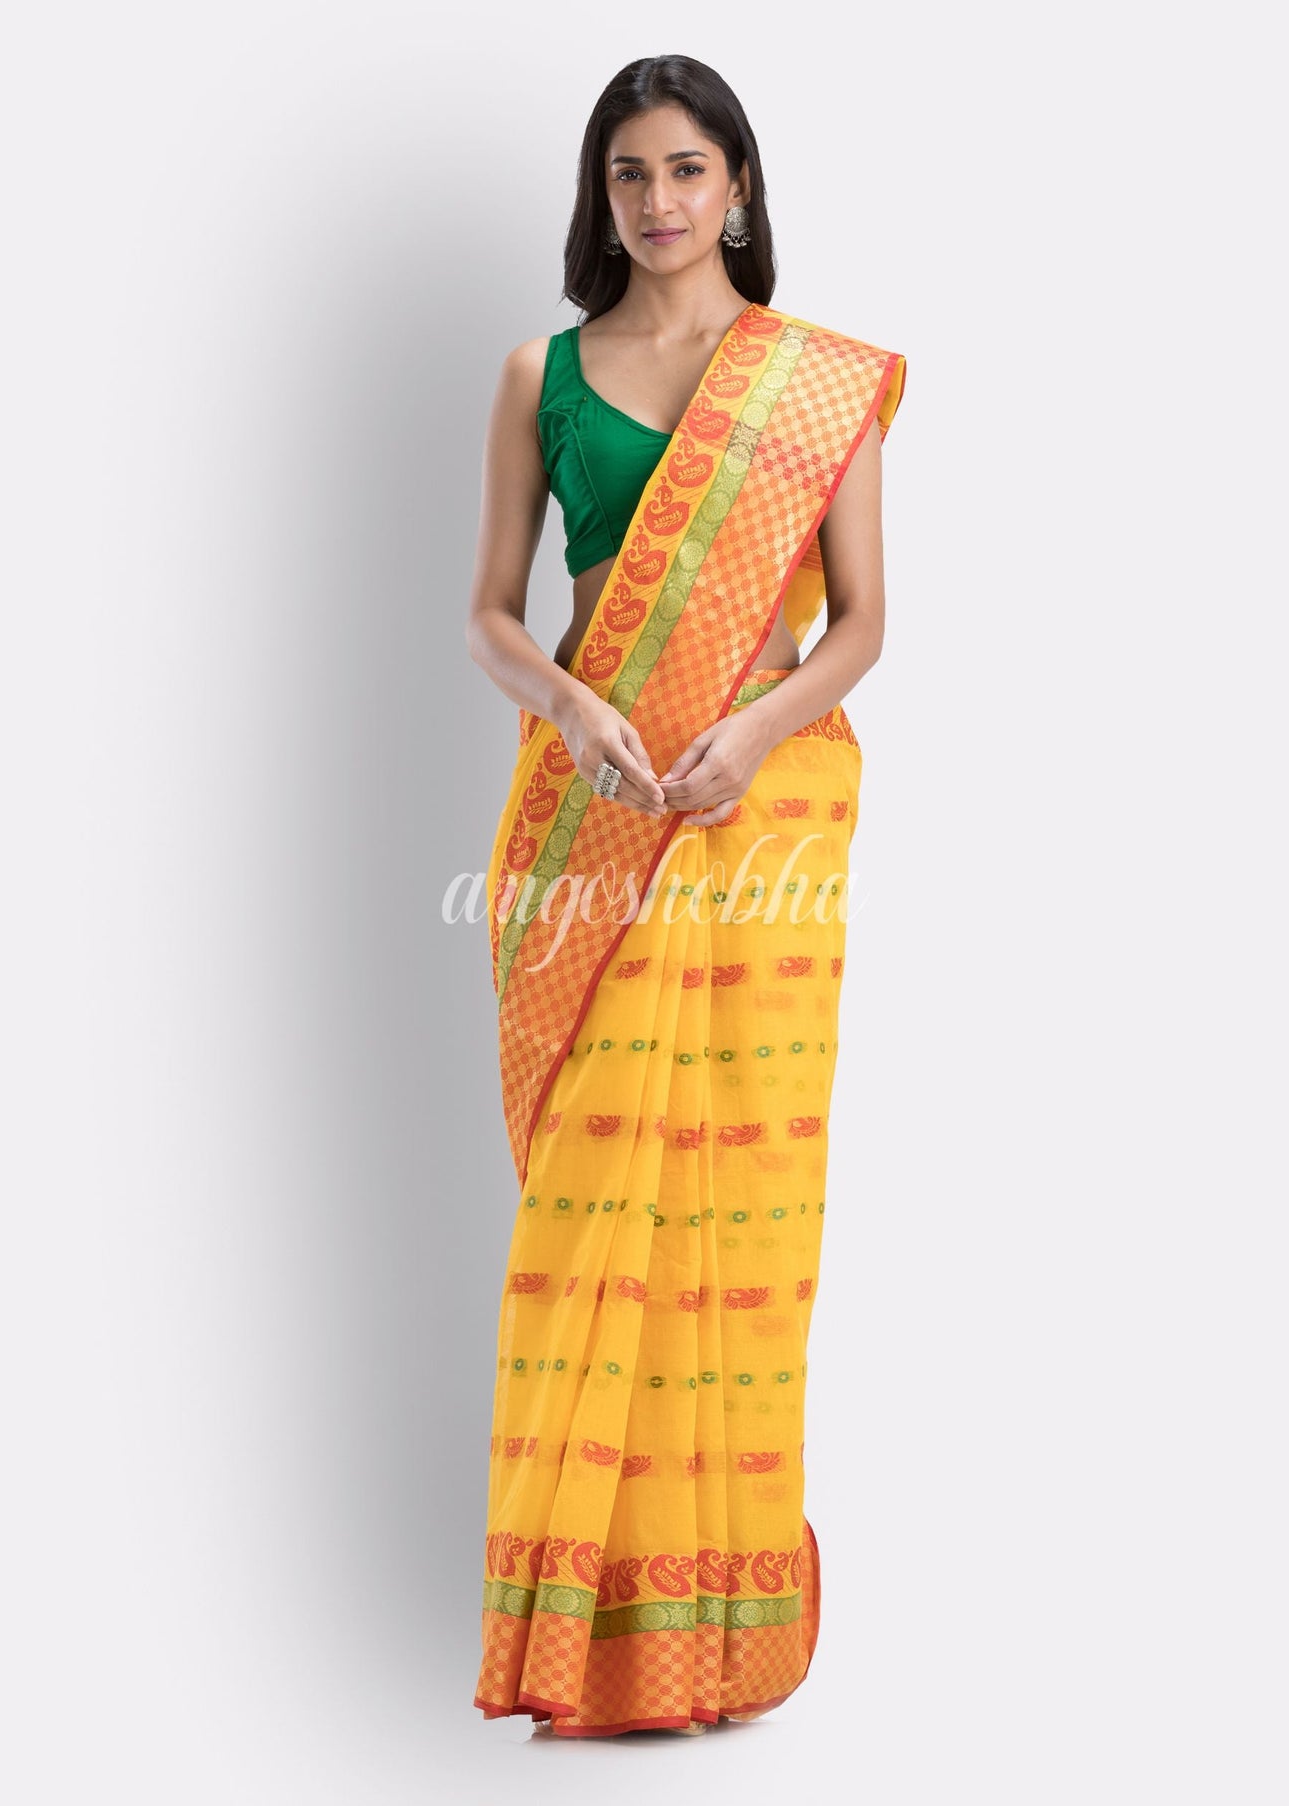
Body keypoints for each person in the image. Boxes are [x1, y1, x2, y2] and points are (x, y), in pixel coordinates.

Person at [465, 53, 905, 1739]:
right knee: (591, 1196)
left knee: (735, 1204)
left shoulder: (813, 385)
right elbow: (490, 611)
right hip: (591, 802)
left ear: (738, 187)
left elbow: (861, 623)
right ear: (603, 193)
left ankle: (709, 1623)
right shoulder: (541, 372)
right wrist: (574, 706)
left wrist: (756, 728)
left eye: (686, 170)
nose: (656, 202)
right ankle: (571, 1625)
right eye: (628, 174)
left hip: (754, 811)